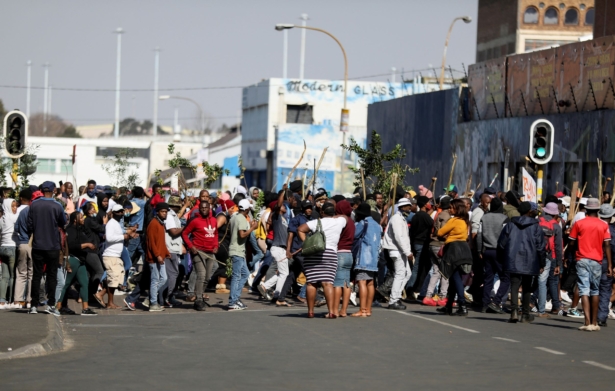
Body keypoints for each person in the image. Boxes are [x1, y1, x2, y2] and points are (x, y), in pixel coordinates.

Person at [498, 201, 546, 323]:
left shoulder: (510, 224)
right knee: (527, 287)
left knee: (514, 285)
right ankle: (525, 313)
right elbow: (540, 247)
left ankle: (514, 311)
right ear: (530, 211)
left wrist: (502, 258)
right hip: (530, 260)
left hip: (513, 259)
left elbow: (501, 243)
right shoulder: (536, 226)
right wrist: (542, 263)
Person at [569, 198, 612, 331]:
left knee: (584, 290)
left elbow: (571, 242)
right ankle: (595, 322)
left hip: (582, 259)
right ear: (598, 210)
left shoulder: (579, 223)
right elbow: (607, 245)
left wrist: (572, 253)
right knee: (595, 290)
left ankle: (587, 322)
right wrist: (609, 264)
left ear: (586, 209)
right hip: (597, 260)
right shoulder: (603, 225)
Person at [297, 202, 346, 318]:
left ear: (322, 212)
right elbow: (345, 217)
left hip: (313, 253)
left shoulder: (315, 222)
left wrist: (306, 243)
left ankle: (310, 311)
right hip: (330, 254)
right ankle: (331, 312)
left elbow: (300, 229)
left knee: (311, 283)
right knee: (328, 283)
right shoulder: (339, 222)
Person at [27, 181, 67, 315]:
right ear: (53, 190)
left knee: (36, 276)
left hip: (38, 245)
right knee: (52, 276)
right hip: (53, 246)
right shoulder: (57, 205)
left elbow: (30, 225)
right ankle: (51, 305)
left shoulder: (34, 205)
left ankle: (33, 305)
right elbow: (62, 222)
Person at [436, 199, 473, 316]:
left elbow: (440, 233)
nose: (449, 209)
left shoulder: (454, 220)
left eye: (451, 207)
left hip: (453, 250)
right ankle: (448, 306)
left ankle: (462, 305)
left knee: (455, 277)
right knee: (453, 279)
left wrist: (448, 235)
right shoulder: (465, 221)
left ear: (456, 208)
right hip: (464, 249)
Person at [56, 211, 98, 316]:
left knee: (84, 283)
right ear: (75, 219)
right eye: (81, 218)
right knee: (66, 284)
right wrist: (87, 245)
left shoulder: (81, 230)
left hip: (81, 261)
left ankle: (85, 308)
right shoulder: (71, 230)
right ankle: (58, 306)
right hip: (73, 260)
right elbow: (72, 245)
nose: (83, 219)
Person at [182, 200, 218, 311]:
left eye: (206, 207)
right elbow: (184, 233)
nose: (204, 209)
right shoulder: (195, 221)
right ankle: (198, 300)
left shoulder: (214, 220)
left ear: (209, 208)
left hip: (210, 252)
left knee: (207, 277)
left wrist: (216, 245)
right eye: (202, 208)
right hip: (198, 252)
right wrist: (190, 246)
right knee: (201, 275)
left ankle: (200, 295)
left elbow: (215, 234)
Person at [259, 185, 292, 306]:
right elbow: (279, 203)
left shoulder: (283, 218)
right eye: (283, 205)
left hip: (280, 248)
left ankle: (271, 291)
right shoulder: (277, 217)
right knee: (284, 273)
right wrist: (283, 191)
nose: (284, 206)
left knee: (282, 273)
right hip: (278, 247)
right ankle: (273, 292)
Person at [476, 197, 509, 313]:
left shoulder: (484, 218)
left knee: (488, 278)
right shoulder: (505, 219)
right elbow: (506, 237)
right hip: (500, 252)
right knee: (505, 278)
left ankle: (485, 304)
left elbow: (479, 236)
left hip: (487, 251)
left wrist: (480, 251)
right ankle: (496, 301)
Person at [382, 198, 414, 311]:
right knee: (400, 274)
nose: (409, 209)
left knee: (407, 273)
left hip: (401, 250)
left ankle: (396, 296)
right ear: (401, 207)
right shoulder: (396, 218)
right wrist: (407, 252)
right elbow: (399, 237)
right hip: (396, 250)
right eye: (407, 206)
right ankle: (393, 300)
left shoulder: (401, 218)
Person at [532, 202, 564, 318]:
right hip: (547, 256)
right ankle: (541, 310)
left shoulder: (537, 221)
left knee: (527, 278)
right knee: (542, 281)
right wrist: (558, 264)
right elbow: (558, 247)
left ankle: (524, 306)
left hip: (532, 253)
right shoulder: (556, 226)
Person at [351, 203, 382, 317]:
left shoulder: (363, 223)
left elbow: (354, 235)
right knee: (370, 283)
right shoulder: (377, 225)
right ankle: (368, 309)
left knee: (362, 282)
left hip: (363, 257)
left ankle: (362, 310)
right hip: (374, 257)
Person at [227, 199, 257, 311]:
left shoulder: (235, 217)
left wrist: (249, 225)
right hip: (237, 251)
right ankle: (232, 301)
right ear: (247, 209)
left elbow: (239, 229)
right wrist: (253, 228)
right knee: (237, 276)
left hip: (237, 250)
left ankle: (236, 298)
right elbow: (242, 234)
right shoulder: (242, 218)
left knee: (245, 274)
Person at [423, 196, 451, 306]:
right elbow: (443, 231)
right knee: (444, 272)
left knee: (436, 271)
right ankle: (442, 296)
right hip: (440, 245)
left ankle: (428, 295)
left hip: (433, 244)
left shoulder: (439, 214)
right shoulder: (446, 216)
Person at [101, 205, 131, 309]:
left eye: (121, 212)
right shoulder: (111, 223)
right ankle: (109, 302)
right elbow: (109, 238)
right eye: (118, 212)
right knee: (113, 279)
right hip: (110, 255)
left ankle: (107, 299)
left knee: (117, 278)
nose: (120, 214)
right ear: (113, 213)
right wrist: (122, 237)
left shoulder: (117, 224)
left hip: (116, 255)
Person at [146, 203, 171, 312]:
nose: (164, 213)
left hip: (161, 257)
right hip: (154, 258)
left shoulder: (161, 224)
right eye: (162, 211)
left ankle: (150, 298)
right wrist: (157, 255)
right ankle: (153, 303)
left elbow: (161, 242)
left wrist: (166, 252)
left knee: (164, 278)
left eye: (166, 212)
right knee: (155, 280)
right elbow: (151, 243)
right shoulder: (153, 224)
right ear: (157, 212)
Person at [332, 199, 355, 317]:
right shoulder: (351, 221)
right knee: (346, 283)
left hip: (339, 253)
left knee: (337, 283)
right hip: (349, 254)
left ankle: (335, 310)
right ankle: (343, 310)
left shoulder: (341, 220)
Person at [163, 196, 186, 307]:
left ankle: (169, 297)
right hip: (169, 248)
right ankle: (165, 297)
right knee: (172, 275)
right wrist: (186, 227)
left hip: (174, 247)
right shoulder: (169, 216)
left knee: (174, 273)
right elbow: (173, 232)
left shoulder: (173, 215)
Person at [408, 196, 433, 299]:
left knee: (419, 267)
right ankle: (409, 288)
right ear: (424, 204)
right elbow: (433, 224)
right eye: (428, 202)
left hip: (415, 243)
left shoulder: (415, 216)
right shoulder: (425, 216)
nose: (430, 204)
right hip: (422, 243)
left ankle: (417, 287)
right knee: (417, 267)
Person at [12, 189, 33, 308]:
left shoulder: (23, 211)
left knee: (20, 273)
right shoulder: (35, 211)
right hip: (33, 244)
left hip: (22, 244)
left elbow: (16, 227)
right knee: (31, 273)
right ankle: (29, 300)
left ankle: (17, 300)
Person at [597, 204, 615, 327]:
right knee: (605, 289)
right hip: (607, 262)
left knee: (594, 289)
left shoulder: (595, 226)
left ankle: (593, 316)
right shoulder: (612, 230)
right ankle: (601, 316)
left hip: (594, 260)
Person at [0, 197, 19, 308]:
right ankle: (12, 300)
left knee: (4, 277)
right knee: (13, 276)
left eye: (15, 205)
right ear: (7, 206)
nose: (15, 208)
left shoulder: (2, 218)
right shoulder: (13, 217)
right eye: (12, 206)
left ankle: (2, 301)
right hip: (12, 247)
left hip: (2, 247)